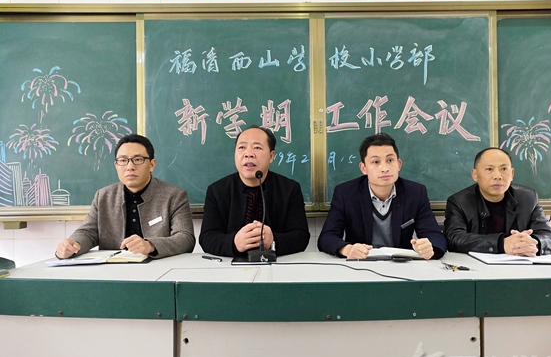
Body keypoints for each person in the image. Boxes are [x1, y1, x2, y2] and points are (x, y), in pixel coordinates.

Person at [55, 134, 196, 259]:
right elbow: (88, 232)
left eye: (138, 159)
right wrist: (73, 244)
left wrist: (151, 245)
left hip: (158, 268)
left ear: (152, 164)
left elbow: (185, 238)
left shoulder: (174, 196)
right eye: (123, 160)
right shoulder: (103, 196)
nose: (130, 167)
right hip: (113, 270)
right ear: (116, 165)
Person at [317, 133, 446, 260]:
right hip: (361, 264)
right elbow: (327, 237)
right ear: (363, 168)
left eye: (390, 160)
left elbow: (436, 236)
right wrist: (347, 249)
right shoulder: (345, 193)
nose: (384, 168)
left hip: (401, 265)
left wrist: (430, 248)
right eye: (376, 162)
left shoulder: (416, 193)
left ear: (399, 164)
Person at [199, 125, 310, 257]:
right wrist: (234, 242)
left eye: (257, 147)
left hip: (278, 265)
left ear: (271, 156)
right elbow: (207, 237)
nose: (248, 154)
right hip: (230, 265)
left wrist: (273, 240)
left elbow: (301, 236)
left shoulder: (289, 189)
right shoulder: (217, 190)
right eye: (242, 147)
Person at [444, 147, 551, 256]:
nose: (498, 176)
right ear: (475, 174)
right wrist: (502, 244)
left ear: (512, 174)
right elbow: (454, 238)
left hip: (521, 265)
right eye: (489, 169)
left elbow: (550, 237)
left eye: (503, 169)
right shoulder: (459, 201)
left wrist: (532, 244)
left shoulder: (528, 198)